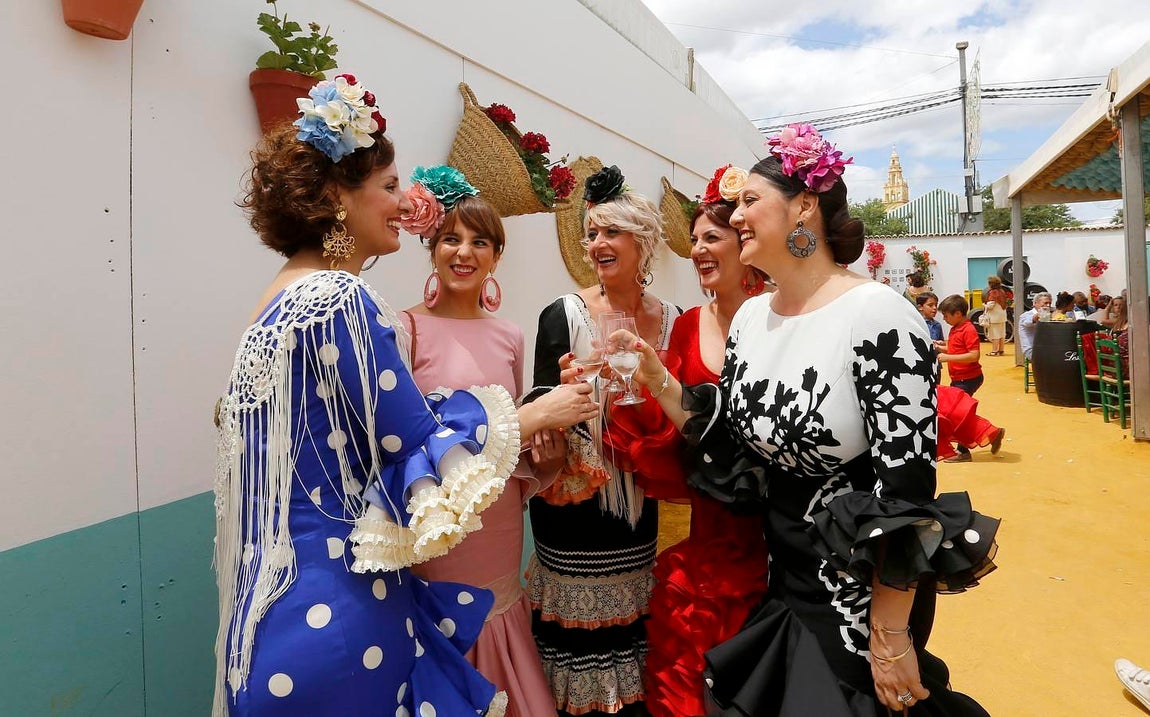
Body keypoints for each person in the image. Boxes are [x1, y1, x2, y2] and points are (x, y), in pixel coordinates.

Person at [213, 75, 596, 716]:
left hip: (269, 618)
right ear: (337, 198)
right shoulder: (337, 297)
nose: (405, 203)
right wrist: (536, 413)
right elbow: (414, 443)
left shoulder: (274, 303)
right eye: (389, 187)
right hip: (337, 614)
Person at [618, 124, 997, 716]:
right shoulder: (749, 321)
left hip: (855, 598)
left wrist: (890, 634)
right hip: (776, 582)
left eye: (749, 201)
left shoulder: (877, 315)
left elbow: (908, 492)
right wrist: (659, 381)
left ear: (804, 206)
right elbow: (736, 446)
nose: (736, 215)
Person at [399, 177, 583, 717]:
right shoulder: (405, 329)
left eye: (480, 242)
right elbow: (407, 443)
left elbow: (512, 431)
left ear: (496, 257)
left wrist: (544, 456)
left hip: (500, 515)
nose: (465, 252)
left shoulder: (510, 335)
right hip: (437, 521)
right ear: (432, 251)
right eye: (451, 239)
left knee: (501, 614)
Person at [527, 165, 680, 716]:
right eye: (591, 233)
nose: (595, 245)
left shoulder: (673, 320)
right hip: (577, 502)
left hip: (641, 497)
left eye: (609, 232)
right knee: (576, 640)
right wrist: (565, 397)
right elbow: (540, 415)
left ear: (642, 242)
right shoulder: (561, 315)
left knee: (633, 629)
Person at [638, 164, 769, 717]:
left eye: (710, 238)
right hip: (708, 526)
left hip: (773, 536)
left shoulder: (779, 317)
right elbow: (673, 420)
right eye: (693, 241)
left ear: (746, 243)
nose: (696, 252)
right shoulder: (689, 324)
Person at [935, 385, 1006, 463]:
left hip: (962, 380)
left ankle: (963, 452)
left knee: (957, 417)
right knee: (957, 416)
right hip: (959, 381)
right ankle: (992, 433)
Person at [938, 294, 984, 396]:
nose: (944, 319)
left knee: (958, 406)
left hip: (968, 378)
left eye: (946, 316)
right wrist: (939, 348)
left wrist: (948, 358)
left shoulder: (968, 330)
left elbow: (974, 356)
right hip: (959, 378)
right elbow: (956, 350)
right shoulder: (954, 328)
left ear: (958, 314)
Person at [1017, 292, 1052, 361]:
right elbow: (1028, 323)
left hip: (1046, 348)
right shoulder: (1025, 315)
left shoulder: (1048, 315)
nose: (1048, 305)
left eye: (1049, 303)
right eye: (1045, 303)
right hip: (1032, 349)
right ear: (1035, 303)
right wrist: (1039, 315)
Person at [982, 275, 1008, 356]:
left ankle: (994, 351)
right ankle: (1001, 350)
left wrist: (984, 305)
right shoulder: (1002, 291)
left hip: (994, 317)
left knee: (995, 335)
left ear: (991, 284)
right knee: (1002, 334)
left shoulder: (993, 292)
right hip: (1002, 316)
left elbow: (990, 305)